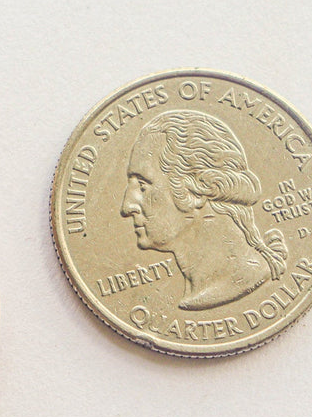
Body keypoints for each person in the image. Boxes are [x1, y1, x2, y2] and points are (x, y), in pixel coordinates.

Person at [119, 109, 287, 310]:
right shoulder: (198, 292)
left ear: (198, 189)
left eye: (142, 186)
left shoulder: (234, 284)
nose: (127, 207)